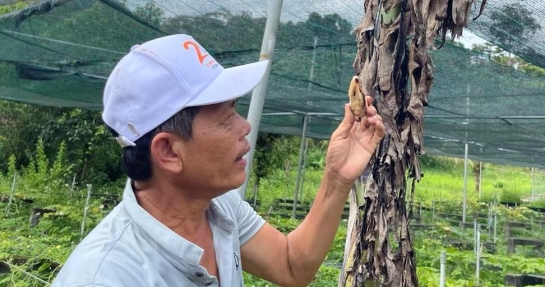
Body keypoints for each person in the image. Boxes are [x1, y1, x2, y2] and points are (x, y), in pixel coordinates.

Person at [51, 34, 386, 287]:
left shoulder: (219, 209)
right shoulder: (106, 277)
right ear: (168, 151)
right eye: (226, 118)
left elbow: (290, 264)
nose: (245, 126)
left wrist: (336, 177)